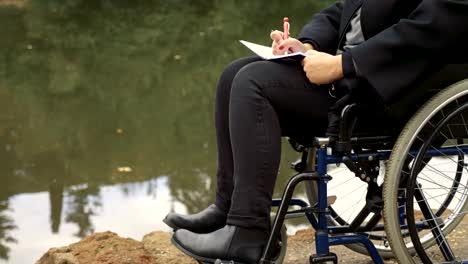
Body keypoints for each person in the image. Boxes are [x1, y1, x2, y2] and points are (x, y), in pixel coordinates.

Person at [164, 0, 468, 263]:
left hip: (392, 93)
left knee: (253, 83)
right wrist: (307, 45)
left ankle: (247, 232)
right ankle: (227, 206)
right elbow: (343, 12)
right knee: (234, 75)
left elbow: (434, 26)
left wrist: (343, 64)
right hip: (354, 77)